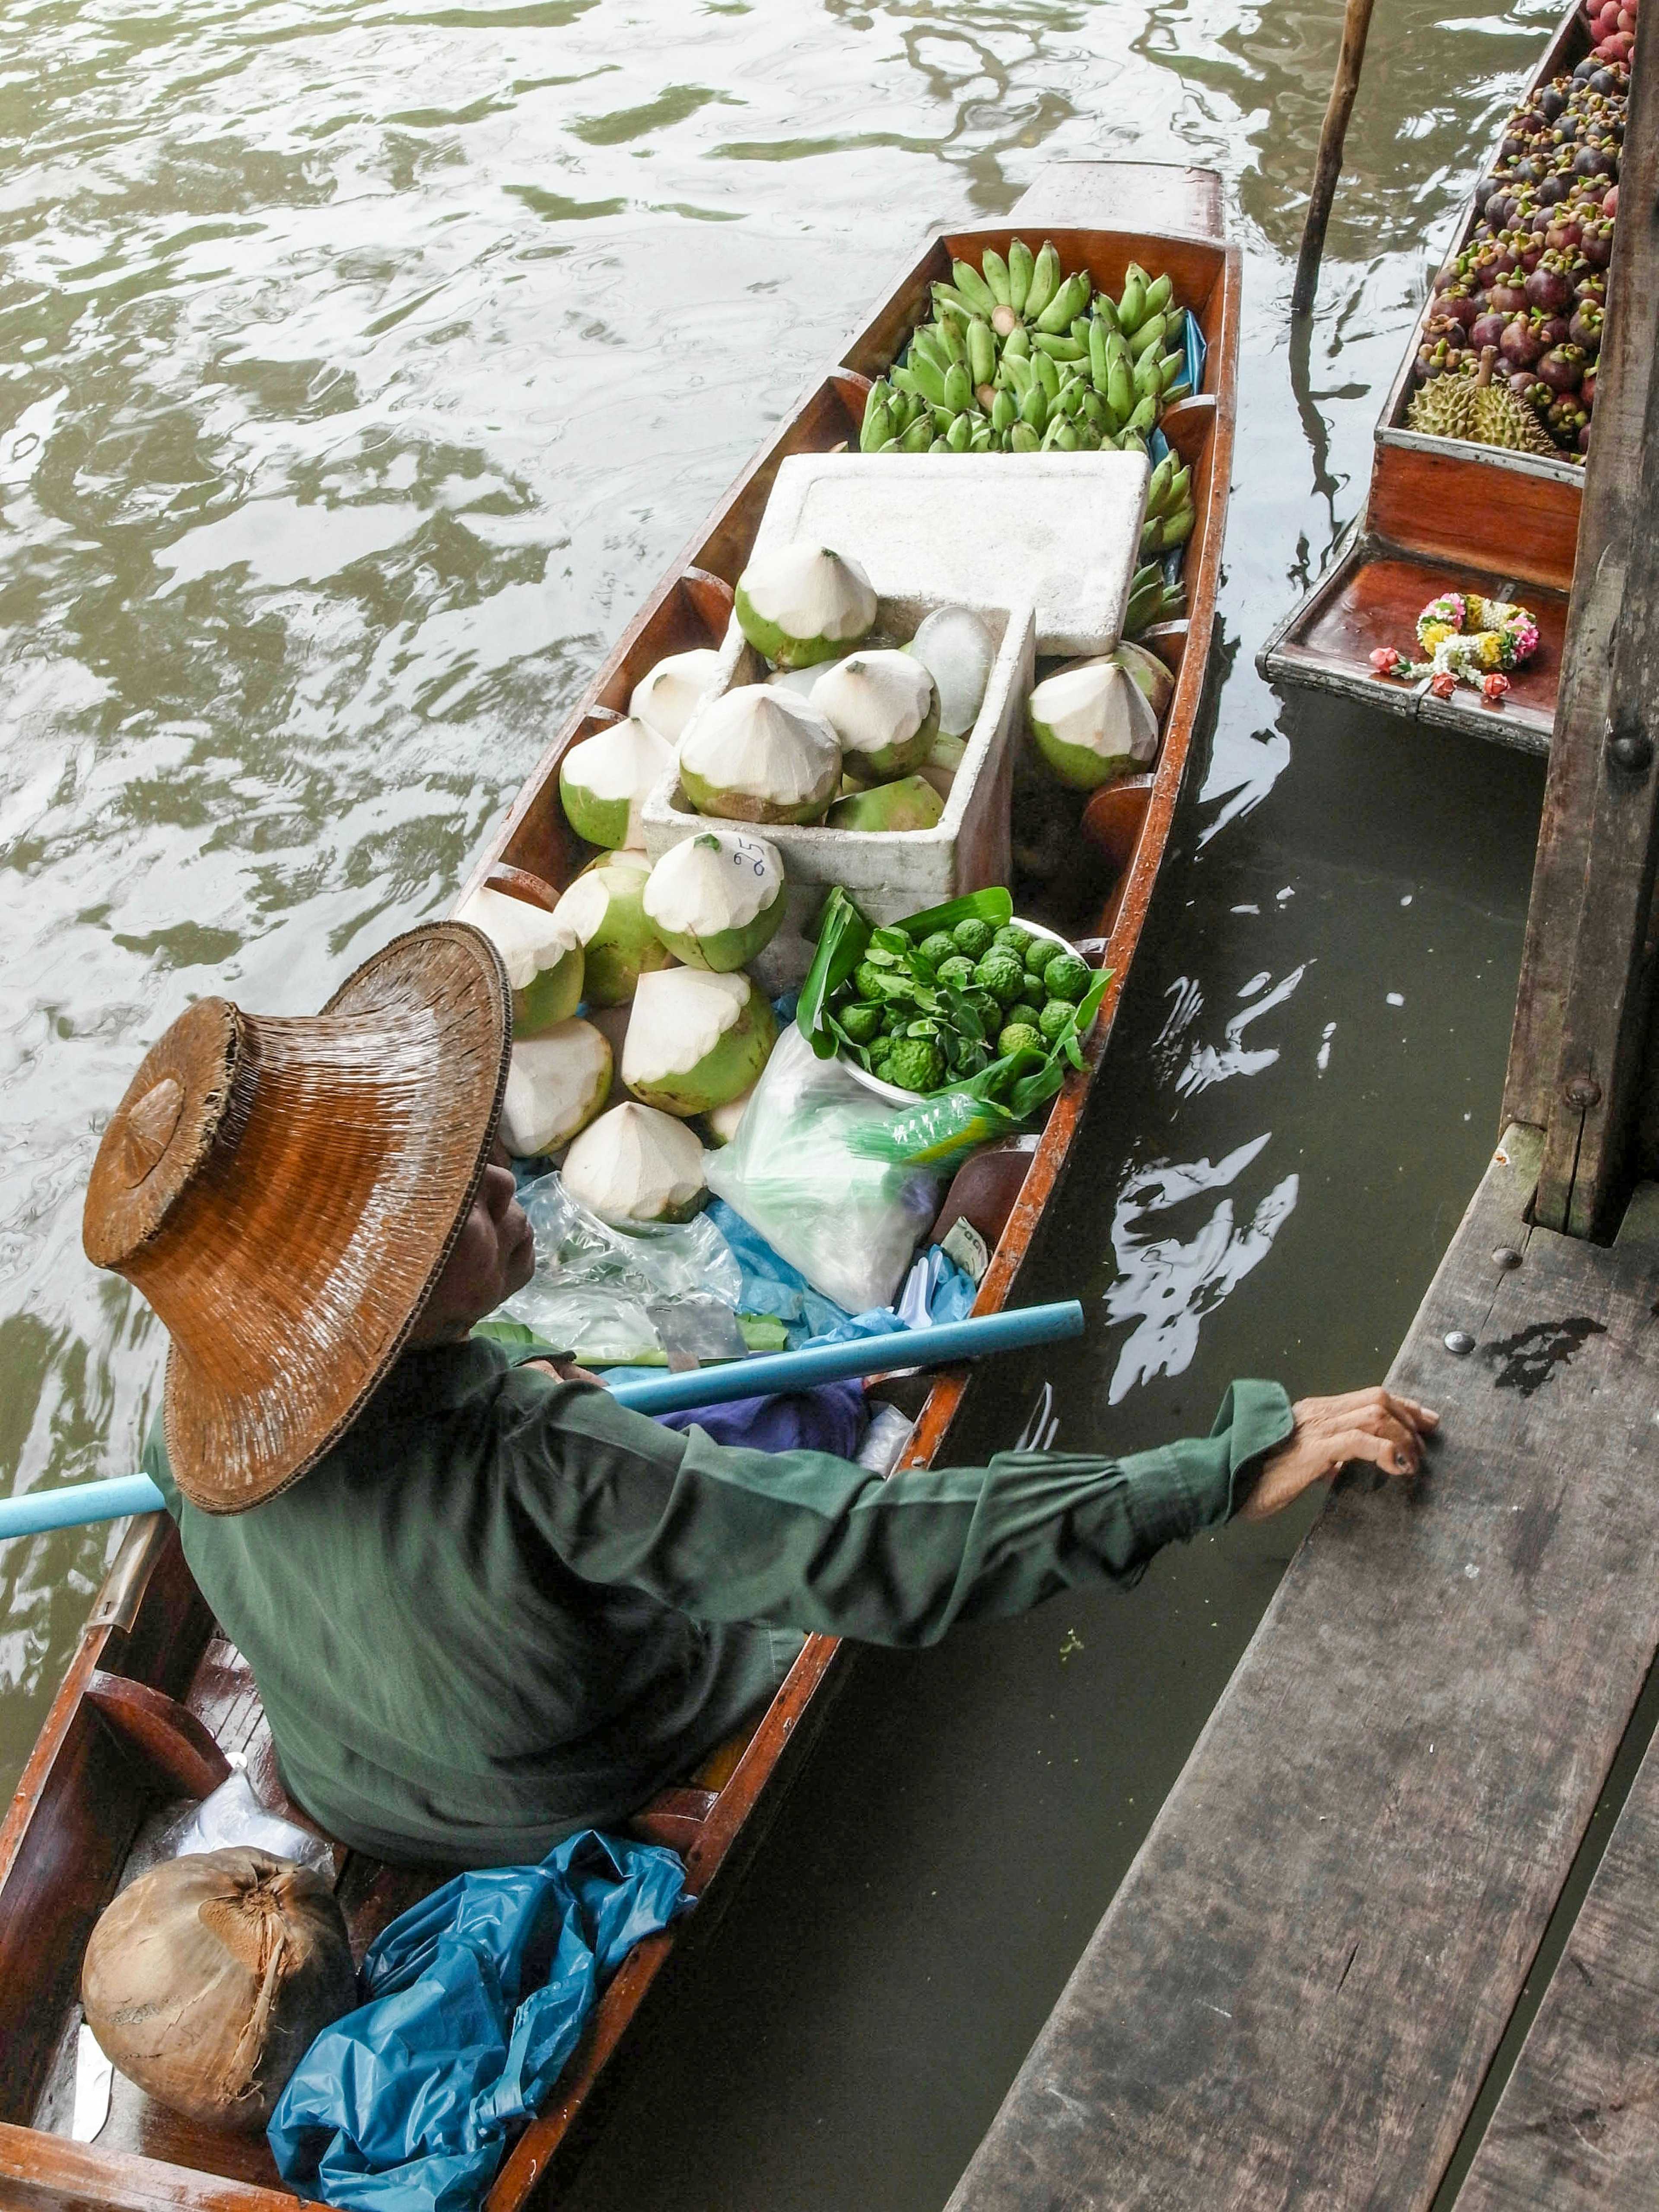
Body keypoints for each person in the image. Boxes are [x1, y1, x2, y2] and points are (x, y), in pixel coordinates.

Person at [83, 922, 1437, 1870]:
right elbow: (876, 1554)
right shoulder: (550, 1458)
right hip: (580, 1778)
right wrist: (1209, 1471)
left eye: (475, 1162)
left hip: (360, 1788)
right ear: (370, 1318)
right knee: (902, 1310)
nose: (498, 1183)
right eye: (449, 1217)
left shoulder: (189, 1416)